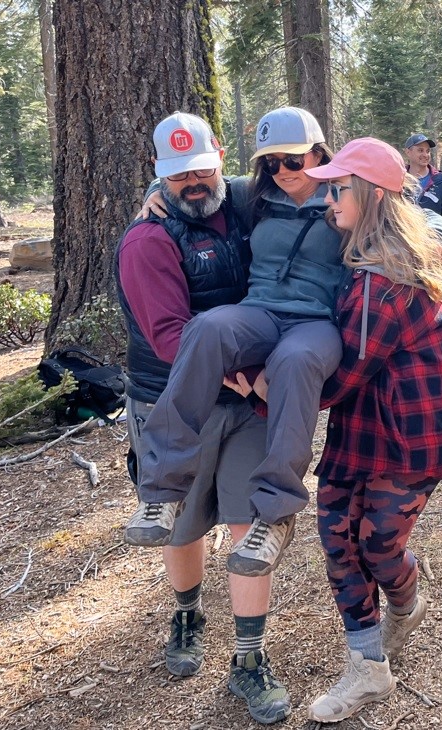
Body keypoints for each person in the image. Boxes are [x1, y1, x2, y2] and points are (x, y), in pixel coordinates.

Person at [231, 137, 442, 723]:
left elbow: (340, 379)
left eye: (338, 188)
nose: (327, 196)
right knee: (339, 538)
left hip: (412, 436)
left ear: (367, 194)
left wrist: (266, 391)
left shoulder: (385, 279)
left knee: (379, 546)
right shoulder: (358, 259)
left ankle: (405, 600)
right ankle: (367, 669)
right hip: (364, 426)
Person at [115, 111, 291, 724]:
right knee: (185, 525)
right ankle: (187, 613)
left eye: (201, 168)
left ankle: (249, 660)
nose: (193, 182)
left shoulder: (246, 205)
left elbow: (305, 186)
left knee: (249, 522)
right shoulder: (147, 240)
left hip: (248, 403)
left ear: (221, 157)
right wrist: (242, 372)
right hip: (172, 399)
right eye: (177, 174)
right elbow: (167, 336)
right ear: (159, 176)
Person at [127, 106, 345, 580]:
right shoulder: (256, 196)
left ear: (317, 152)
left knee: (296, 359)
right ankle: (162, 490)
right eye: (270, 162)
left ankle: (276, 511)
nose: (282, 171)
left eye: (292, 160)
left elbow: (410, 213)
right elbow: (188, 187)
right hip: (261, 312)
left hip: (317, 322)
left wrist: (434, 234)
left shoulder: (346, 196)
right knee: (206, 328)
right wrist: (152, 193)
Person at [404, 133, 442, 244]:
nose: (425, 154)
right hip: (403, 247)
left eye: (428, 151)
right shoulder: (398, 180)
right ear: (408, 152)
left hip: (432, 247)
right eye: (420, 150)